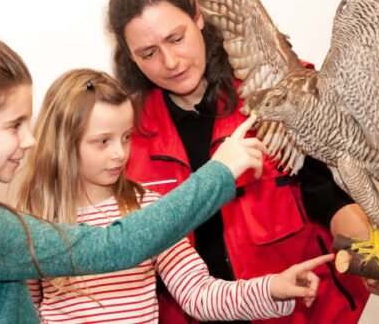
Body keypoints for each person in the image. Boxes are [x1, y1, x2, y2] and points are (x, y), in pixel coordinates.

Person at [106, 0, 379, 324]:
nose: (170, 62)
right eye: (148, 53)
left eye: (176, 38)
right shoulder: (122, 139)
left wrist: (365, 256)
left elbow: (332, 197)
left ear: (197, 15)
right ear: (129, 56)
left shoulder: (283, 98)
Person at [0, 30, 270, 324]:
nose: (29, 139)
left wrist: (269, 289)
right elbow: (110, 247)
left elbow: (198, 293)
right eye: (15, 125)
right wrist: (220, 172)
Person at [18, 68, 334, 323]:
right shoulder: (33, 218)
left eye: (126, 137)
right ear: (63, 143)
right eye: (102, 141)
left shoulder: (145, 208)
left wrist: (273, 289)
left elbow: (199, 294)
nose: (120, 153)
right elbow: (21, 312)